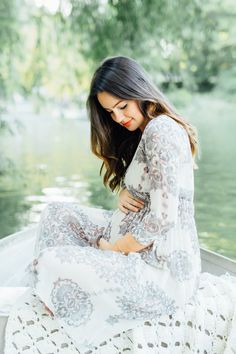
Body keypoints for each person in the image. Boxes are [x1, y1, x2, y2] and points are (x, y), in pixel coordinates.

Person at [4, 56, 236, 353]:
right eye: (110, 112)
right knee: (57, 213)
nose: (118, 118)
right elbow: (154, 183)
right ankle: (61, 288)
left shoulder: (161, 130)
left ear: (139, 90)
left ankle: (60, 290)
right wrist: (125, 190)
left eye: (122, 107)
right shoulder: (147, 129)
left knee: (50, 262)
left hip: (160, 270)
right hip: (133, 247)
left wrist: (114, 249)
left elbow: (164, 216)